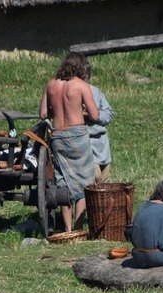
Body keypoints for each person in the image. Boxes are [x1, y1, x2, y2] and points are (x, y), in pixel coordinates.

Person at [40, 51, 100, 233]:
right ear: (80, 67)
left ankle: (67, 229)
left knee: (63, 180)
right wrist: (78, 111)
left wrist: (57, 112)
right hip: (78, 136)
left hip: (58, 135)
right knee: (84, 181)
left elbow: (43, 113)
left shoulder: (51, 84)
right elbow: (95, 115)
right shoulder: (81, 85)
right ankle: (79, 227)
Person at [87, 65, 114, 182]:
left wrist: (95, 114)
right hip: (85, 141)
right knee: (95, 177)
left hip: (101, 142)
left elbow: (108, 114)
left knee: (104, 178)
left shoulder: (95, 91)